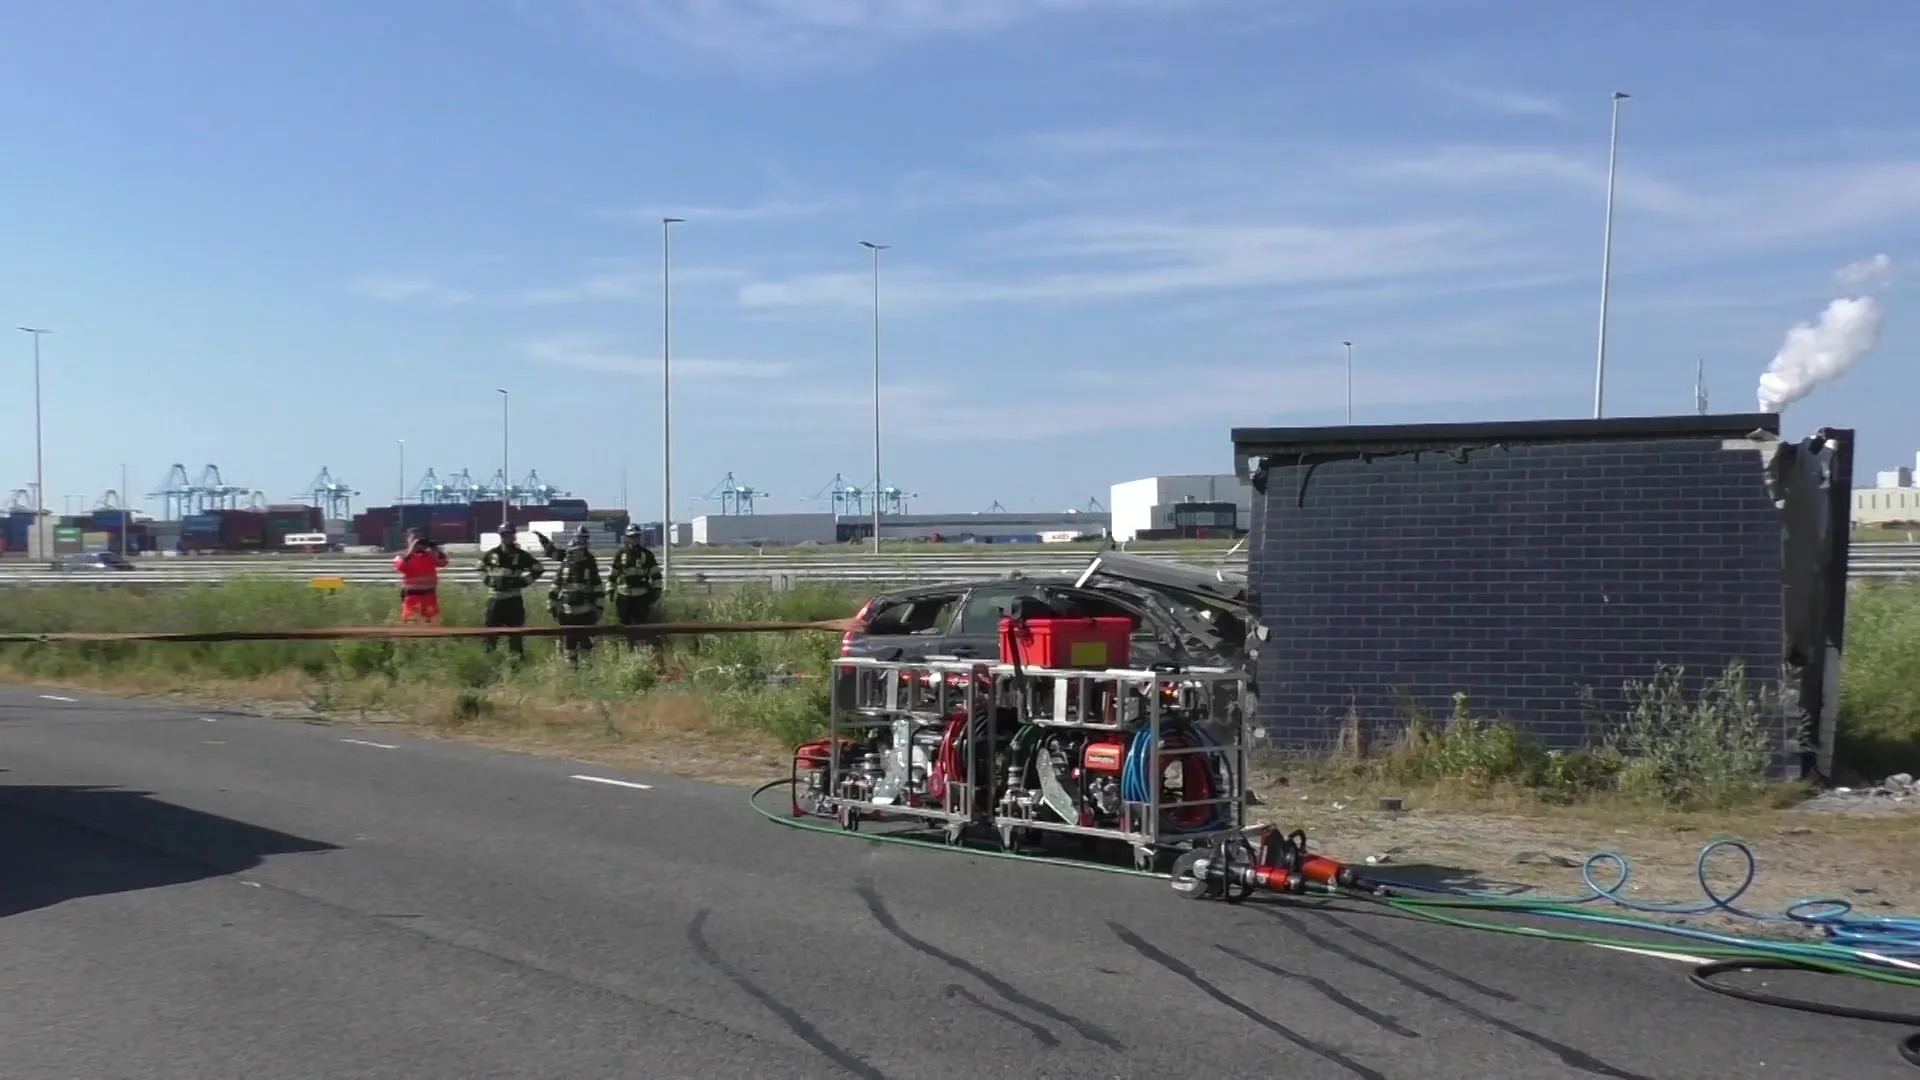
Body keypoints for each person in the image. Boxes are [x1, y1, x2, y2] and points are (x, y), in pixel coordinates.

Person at [478, 523, 545, 658]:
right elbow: (480, 568)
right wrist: (487, 580)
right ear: (500, 536)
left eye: (510, 534)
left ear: (514, 535)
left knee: (515, 636)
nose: (507, 537)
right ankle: (489, 662)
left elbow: (538, 569)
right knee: (490, 635)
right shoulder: (492, 554)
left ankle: (516, 665)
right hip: (494, 600)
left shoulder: (521, 556)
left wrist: (523, 582)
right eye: (504, 535)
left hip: (513, 601)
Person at [546, 525, 605, 666]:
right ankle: (570, 673)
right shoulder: (565, 565)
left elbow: (597, 588)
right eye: (573, 551)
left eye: (578, 551)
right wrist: (552, 606)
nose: (576, 553)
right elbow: (556, 585)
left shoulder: (589, 562)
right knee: (569, 644)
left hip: (585, 613)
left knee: (586, 645)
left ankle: (587, 674)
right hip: (567, 614)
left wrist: (598, 609)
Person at [608, 523, 665, 655]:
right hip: (624, 596)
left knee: (643, 627)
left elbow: (656, 574)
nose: (634, 539)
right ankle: (626, 653)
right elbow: (613, 574)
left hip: (641, 596)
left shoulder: (646, 555)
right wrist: (610, 590)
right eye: (631, 537)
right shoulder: (620, 554)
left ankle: (641, 654)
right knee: (624, 626)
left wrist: (656, 591)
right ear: (626, 538)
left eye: (636, 537)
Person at [393, 527, 449, 623]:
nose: (418, 542)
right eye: (414, 538)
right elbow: (400, 566)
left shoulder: (428, 555)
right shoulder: (402, 556)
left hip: (430, 597)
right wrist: (411, 551)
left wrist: (435, 548)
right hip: (412, 598)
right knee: (412, 624)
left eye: (420, 538)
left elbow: (443, 562)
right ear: (408, 539)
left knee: (432, 625)